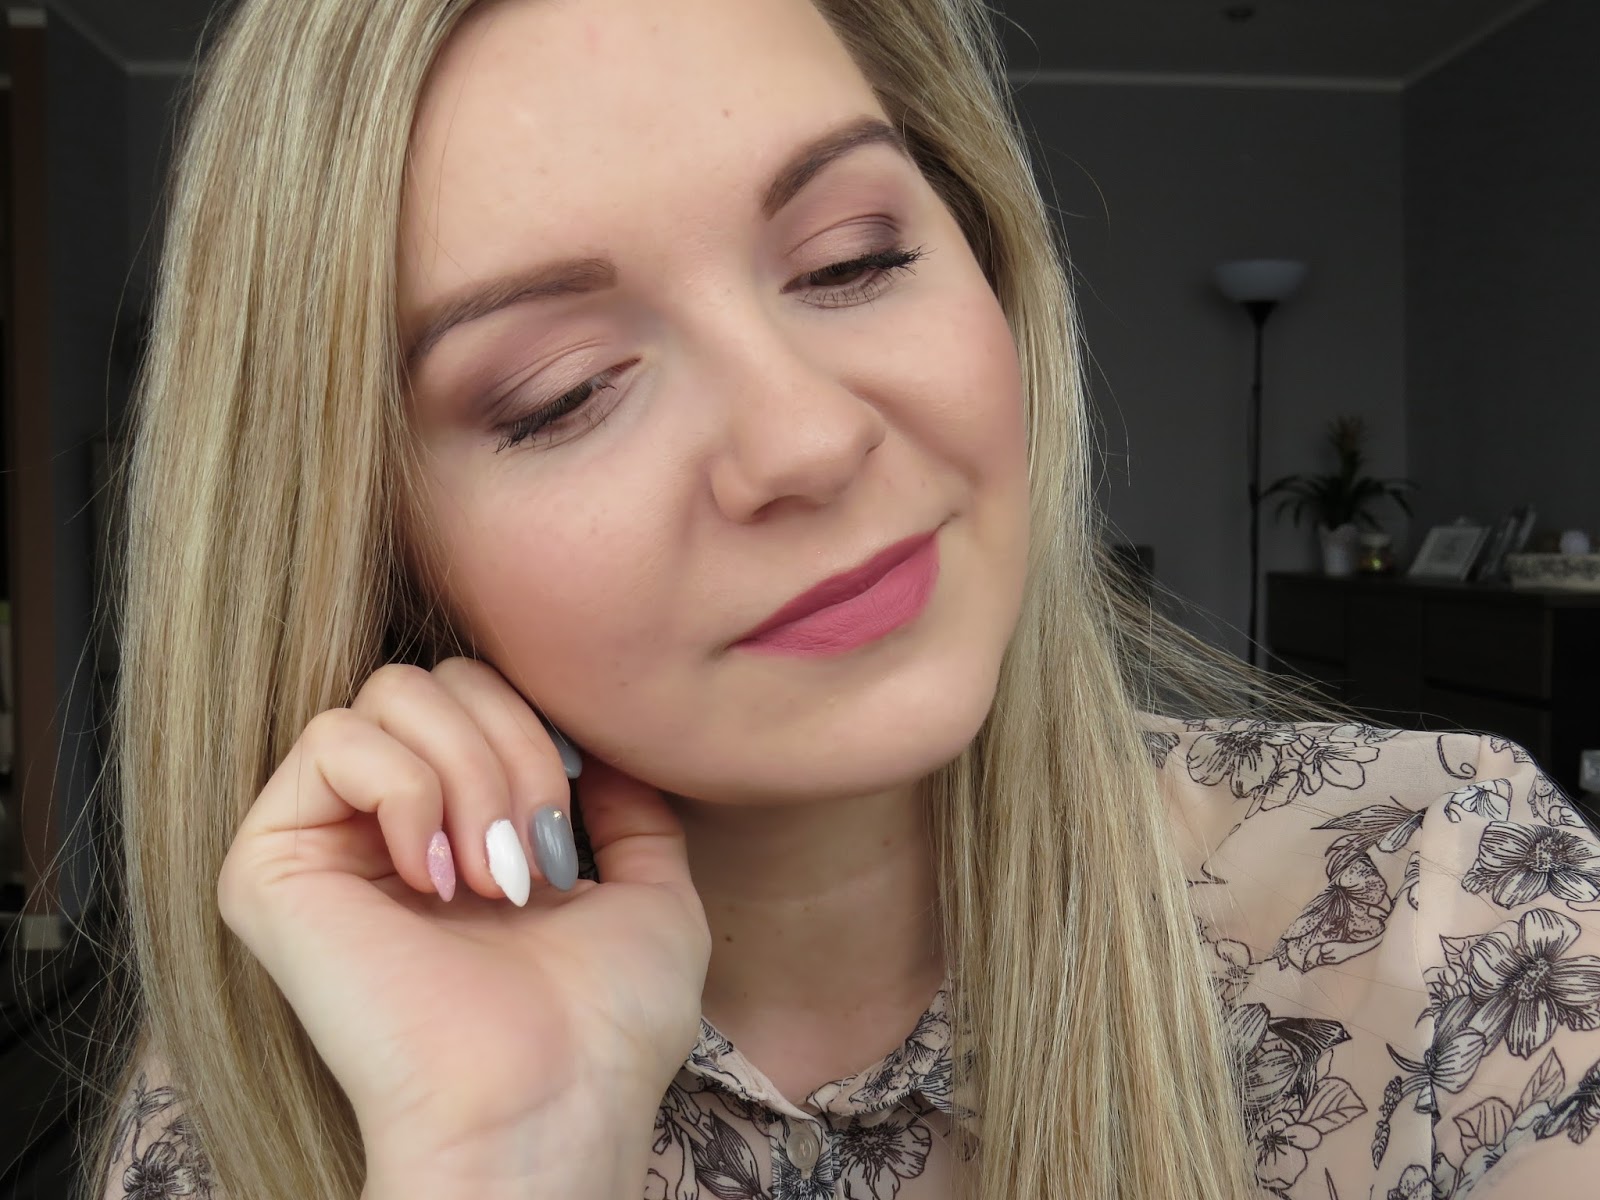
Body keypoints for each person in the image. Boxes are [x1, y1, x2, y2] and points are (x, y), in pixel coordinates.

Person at [83, 0, 1600, 1197]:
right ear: (371, 540)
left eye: (851, 261)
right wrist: (504, 1159)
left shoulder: (1454, 911)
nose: (808, 440)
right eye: (566, 391)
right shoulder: (263, 1095)